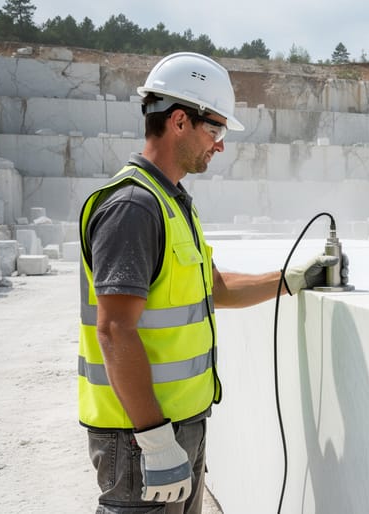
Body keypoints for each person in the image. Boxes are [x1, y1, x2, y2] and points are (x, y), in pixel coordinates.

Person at [77, 52, 346, 513]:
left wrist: (292, 279)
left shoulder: (172, 201)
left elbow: (214, 290)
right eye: (216, 129)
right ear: (180, 121)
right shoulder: (134, 207)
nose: (220, 144)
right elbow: (115, 328)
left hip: (180, 426)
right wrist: (156, 440)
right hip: (140, 435)